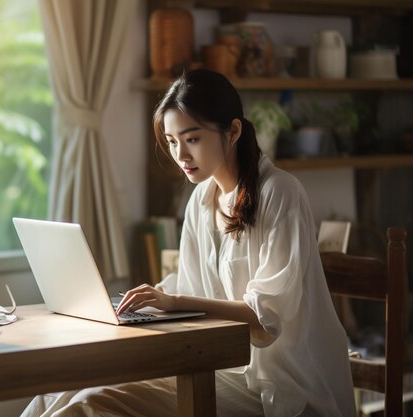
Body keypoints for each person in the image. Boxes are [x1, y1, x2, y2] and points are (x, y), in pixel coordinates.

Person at [20, 70, 356, 417]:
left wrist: (172, 301)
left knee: (94, 403)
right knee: (58, 390)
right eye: (171, 141)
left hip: (279, 387)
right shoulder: (201, 200)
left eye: (192, 139)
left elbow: (264, 318)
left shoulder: (280, 192)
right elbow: (189, 284)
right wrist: (131, 304)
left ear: (234, 131)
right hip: (216, 368)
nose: (180, 154)